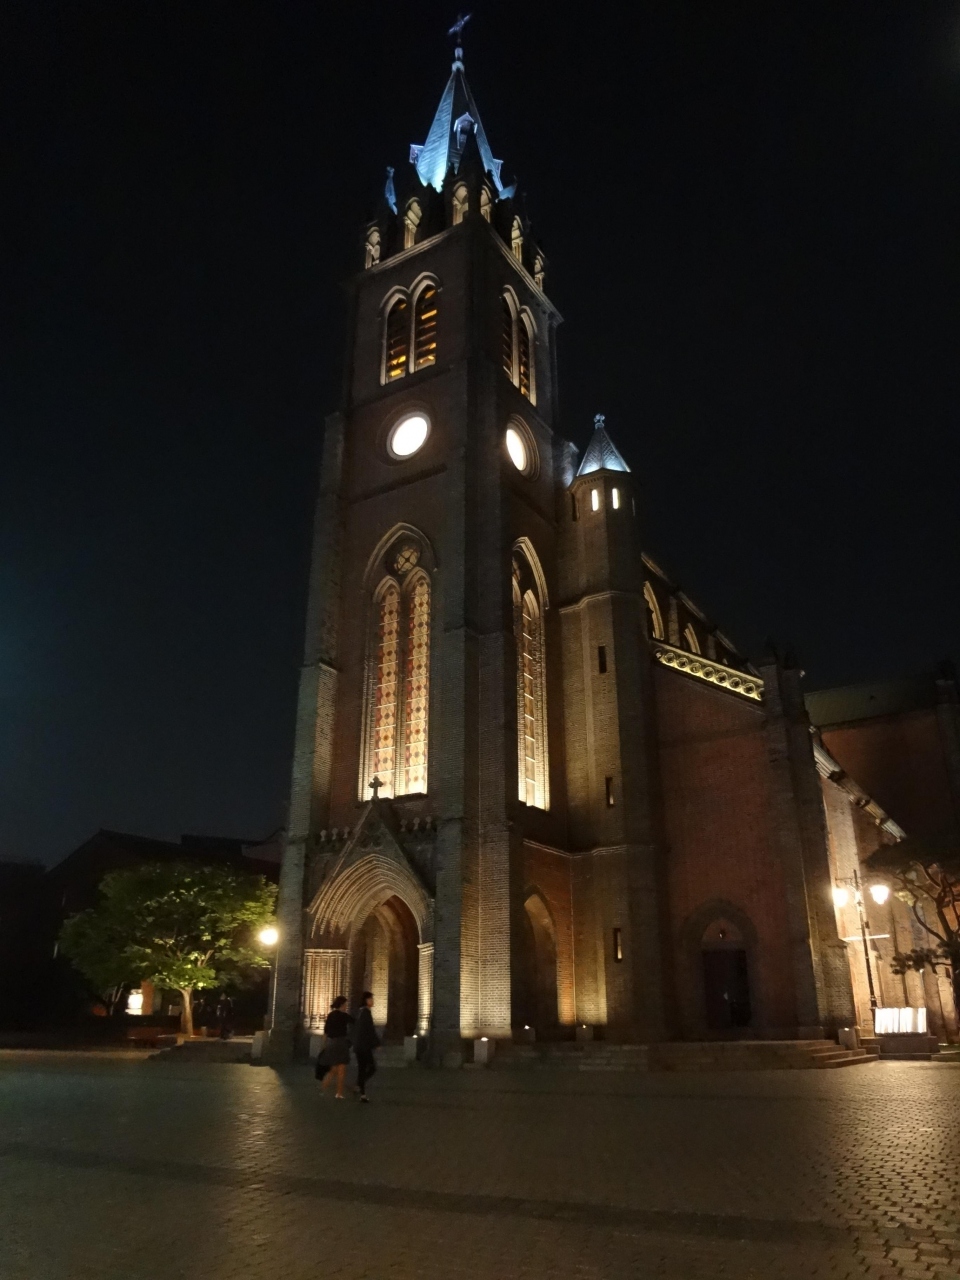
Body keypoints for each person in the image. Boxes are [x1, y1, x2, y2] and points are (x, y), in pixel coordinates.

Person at [315, 996, 353, 1098]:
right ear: (342, 1005)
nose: (346, 1006)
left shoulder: (331, 1015)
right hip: (341, 1043)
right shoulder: (344, 1016)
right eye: (345, 1004)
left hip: (332, 1043)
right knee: (341, 1069)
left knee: (334, 1068)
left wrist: (324, 1045)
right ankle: (339, 1093)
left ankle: (324, 1087)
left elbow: (326, 1032)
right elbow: (355, 1023)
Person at [352, 991, 380, 1103]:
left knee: (362, 1069)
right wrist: (376, 1043)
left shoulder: (360, 1012)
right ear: (366, 1000)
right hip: (363, 1046)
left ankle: (362, 1094)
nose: (372, 1001)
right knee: (371, 1068)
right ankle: (359, 1085)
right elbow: (370, 1030)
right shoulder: (365, 1013)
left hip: (359, 1045)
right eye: (371, 999)